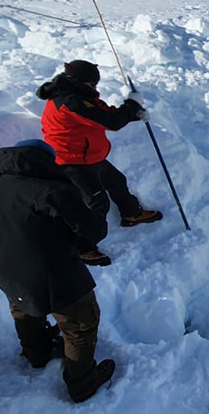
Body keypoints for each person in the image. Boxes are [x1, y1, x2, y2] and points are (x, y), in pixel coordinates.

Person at [0, 140, 116, 403]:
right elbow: (94, 231)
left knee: (24, 310)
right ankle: (82, 382)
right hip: (59, 276)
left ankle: (37, 353)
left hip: (6, 274)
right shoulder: (54, 191)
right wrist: (84, 231)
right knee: (80, 324)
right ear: (44, 161)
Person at [37, 60, 162, 266]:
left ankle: (131, 214)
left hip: (88, 156)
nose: (95, 88)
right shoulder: (70, 101)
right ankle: (83, 247)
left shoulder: (78, 95)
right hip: (71, 160)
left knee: (117, 182)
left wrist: (133, 115)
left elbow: (104, 115)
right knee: (96, 202)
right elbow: (110, 122)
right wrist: (131, 105)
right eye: (92, 84)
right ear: (81, 82)